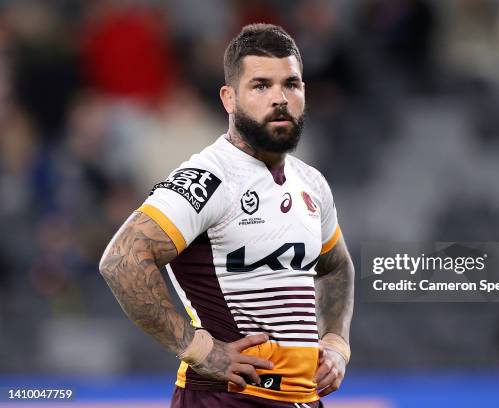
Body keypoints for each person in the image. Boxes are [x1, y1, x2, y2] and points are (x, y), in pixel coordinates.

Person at [99, 23, 354, 407]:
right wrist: (199, 349)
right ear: (229, 98)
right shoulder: (208, 177)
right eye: (261, 86)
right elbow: (122, 261)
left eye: (291, 84)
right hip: (226, 399)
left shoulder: (311, 182)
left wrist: (335, 344)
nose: (280, 98)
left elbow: (336, 267)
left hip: (303, 398)